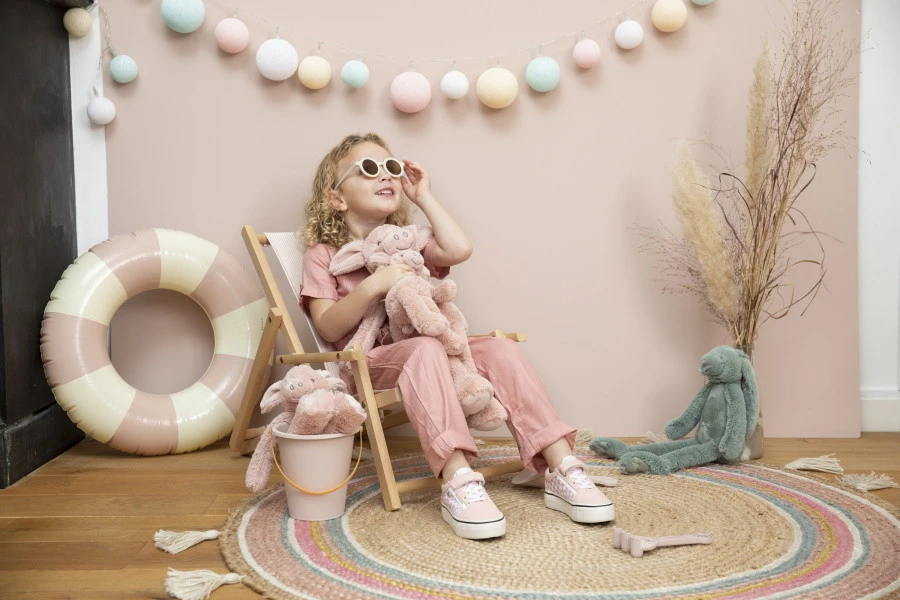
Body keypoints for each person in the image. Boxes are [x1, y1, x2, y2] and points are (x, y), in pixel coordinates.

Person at [298, 132, 614, 539]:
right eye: (369, 169)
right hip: (369, 363)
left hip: (436, 350)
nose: (385, 176)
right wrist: (375, 284)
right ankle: (458, 479)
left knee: (499, 349)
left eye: (390, 167)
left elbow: (459, 248)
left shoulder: (408, 242)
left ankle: (562, 466)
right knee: (425, 348)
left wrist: (423, 197)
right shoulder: (322, 254)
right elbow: (327, 326)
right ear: (337, 198)